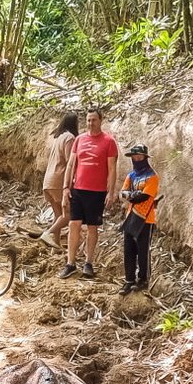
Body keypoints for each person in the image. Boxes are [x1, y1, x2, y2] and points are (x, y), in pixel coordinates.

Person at [61, 106, 119, 279]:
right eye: (88, 120)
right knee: (73, 224)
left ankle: (88, 263)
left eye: (94, 120)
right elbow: (71, 164)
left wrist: (111, 191)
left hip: (97, 191)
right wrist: (65, 187)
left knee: (92, 227)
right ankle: (70, 263)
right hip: (78, 189)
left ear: (100, 121)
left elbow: (112, 169)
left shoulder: (109, 141)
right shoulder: (79, 140)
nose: (90, 123)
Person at [119, 143, 159, 296]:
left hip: (146, 218)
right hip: (131, 217)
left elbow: (144, 197)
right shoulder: (131, 175)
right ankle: (129, 280)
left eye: (139, 156)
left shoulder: (152, 176)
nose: (136, 159)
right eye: (135, 156)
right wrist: (130, 195)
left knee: (143, 251)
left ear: (145, 157)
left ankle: (143, 279)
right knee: (129, 250)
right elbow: (123, 192)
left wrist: (132, 195)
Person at [41, 111, 78, 246]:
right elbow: (70, 161)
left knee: (58, 215)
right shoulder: (69, 138)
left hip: (48, 181)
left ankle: (55, 245)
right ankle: (48, 233)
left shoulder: (58, 138)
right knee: (69, 214)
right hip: (58, 180)